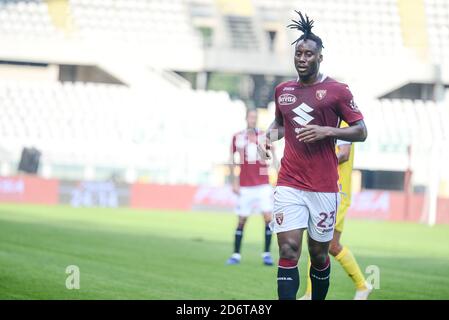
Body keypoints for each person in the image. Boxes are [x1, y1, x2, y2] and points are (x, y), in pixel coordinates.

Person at [258, 11, 367, 300]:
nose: (302, 58)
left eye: (309, 54)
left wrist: (327, 131)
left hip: (323, 187)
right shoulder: (283, 91)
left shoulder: (337, 91)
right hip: (289, 183)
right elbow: (281, 125)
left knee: (319, 255)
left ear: (320, 58)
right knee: (288, 249)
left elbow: (361, 131)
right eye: (299, 53)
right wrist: (266, 138)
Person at [300, 121, 373, 300]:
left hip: (337, 192)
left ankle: (310, 294)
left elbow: (344, 154)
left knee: (318, 241)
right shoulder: (332, 122)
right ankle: (363, 286)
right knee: (330, 245)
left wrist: (317, 163)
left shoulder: (343, 122)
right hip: (328, 190)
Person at [226, 108, 277, 266]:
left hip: (263, 184)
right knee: (241, 220)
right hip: (245, 185)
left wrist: (277, 177)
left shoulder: (264, 135)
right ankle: (236, 254)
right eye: (251, 117)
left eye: (255, 117)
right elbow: (232, 159)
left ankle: (267, 254)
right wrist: (234, 181)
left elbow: (274, 157)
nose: (253, 119)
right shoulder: (237, 137)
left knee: (268, 218)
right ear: (246, 118)